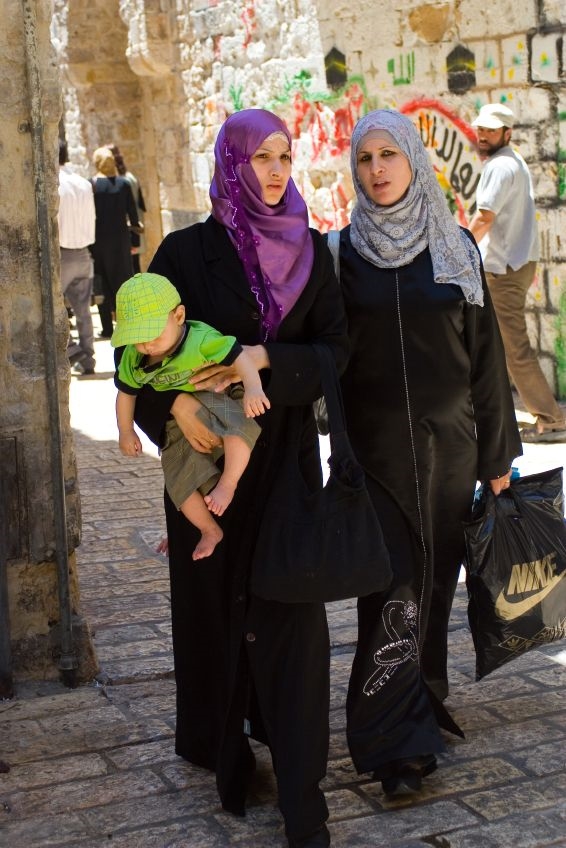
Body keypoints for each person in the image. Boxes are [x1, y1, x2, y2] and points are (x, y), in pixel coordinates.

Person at [121, 109, 349, 847]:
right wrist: (174, 409)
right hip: (207, 465)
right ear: (231, 164)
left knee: (289, 613)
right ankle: (218, 740)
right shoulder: (185, 254)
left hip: (280, 464)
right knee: (215, 610)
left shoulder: (313, 252)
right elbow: (142, 351)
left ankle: (296, 775)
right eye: (260, 158)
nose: (276, 169)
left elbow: (334, 351)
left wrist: (267, 361)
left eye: (285, 156)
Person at [332, 109, 522, 795]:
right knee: (391, 590)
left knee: (437, 584)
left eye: (389, 155)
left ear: (414, 161)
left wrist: (498, 456)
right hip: (376, 457)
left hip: (452, 450)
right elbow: (329, 363)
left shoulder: (454, 248)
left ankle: (425, 698)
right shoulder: (342, 254)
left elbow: (487, 361)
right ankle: (393, 742)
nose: (377, 170)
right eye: (365, 159)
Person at [111, 271, 269, 560]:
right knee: (178, 481)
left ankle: (228, 484)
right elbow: (126, 394)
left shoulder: (202, 338)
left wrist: (253, 389)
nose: (146, 346)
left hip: (216, 396)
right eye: (137, 339)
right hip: (176, 423)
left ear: (179, 316)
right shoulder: (134, 358)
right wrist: (125, 430)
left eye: (154, 334)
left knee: (239, 429)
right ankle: (209, 529)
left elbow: (241, 358)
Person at [469, 103, 566, 443]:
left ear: (507, 133)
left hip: (504, 270)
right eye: (481, 129)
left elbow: (484, 218)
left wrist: (459, 249)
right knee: (488, 343)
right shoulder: (513, 162)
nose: (483, 135)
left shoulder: (500, 166)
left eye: (491, 131)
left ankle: (551, 419)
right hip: (514, 265)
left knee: (514, 349)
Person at [90, 146, 141, 339]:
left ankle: (107, 328)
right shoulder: (123, 184)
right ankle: (127, 323)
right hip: (120, 241)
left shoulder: (92, 185)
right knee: (123, 282)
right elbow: (133, 215)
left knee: (102, 282)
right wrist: (134, 240)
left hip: (98, 242)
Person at [57, 139, 96, 375]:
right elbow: (91, 217)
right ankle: (89, 359)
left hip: (61, 255)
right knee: (83, 310)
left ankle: (72, 350)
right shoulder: (83, 183)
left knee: (50, 307)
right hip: (83, 252)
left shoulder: (55, 184)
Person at [107, 144, 147, 273]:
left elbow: (131, 208)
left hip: (129, 230)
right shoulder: (129, 177)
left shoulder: (122, 181)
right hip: (133, 228)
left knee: (132, 269)